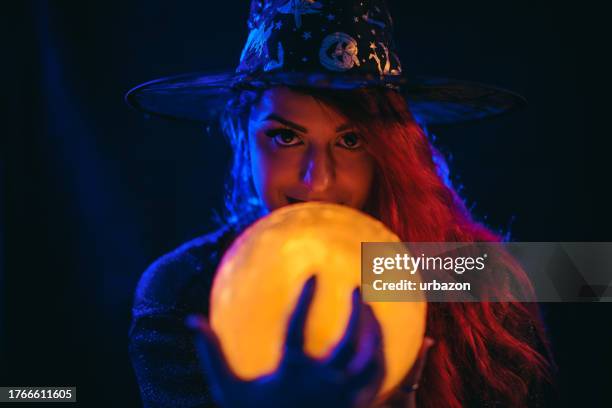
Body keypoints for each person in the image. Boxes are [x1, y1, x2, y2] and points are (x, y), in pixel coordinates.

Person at [127, 1, 556, 407]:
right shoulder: (183, 291)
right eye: (286, 137)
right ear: (243, 137)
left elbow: (588, 280)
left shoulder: (475, 276)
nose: (318, 179)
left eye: (351, 140)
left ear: (391, 150)